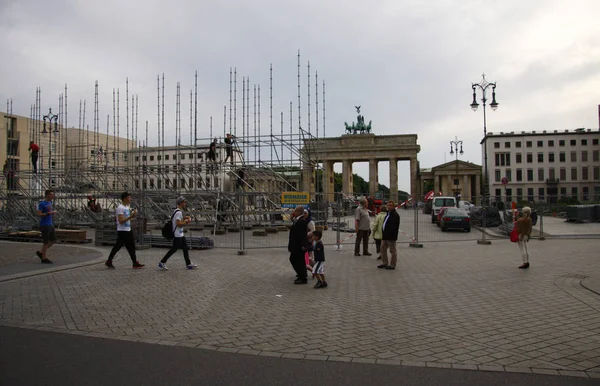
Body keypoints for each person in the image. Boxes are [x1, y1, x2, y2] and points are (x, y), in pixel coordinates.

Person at [105, 192, 145, 269]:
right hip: (122, 231)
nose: (130, 199)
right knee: (118, 246)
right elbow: (121, 221)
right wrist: (131, 216)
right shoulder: (120, 208)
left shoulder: (127, 207)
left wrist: (132, 215)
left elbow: (127, 218)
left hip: (128, 230)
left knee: (131, 247)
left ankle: (134, 262)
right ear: (125, 198)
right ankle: (109, 261)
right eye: (129, 197)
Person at [158, 196, 198, 270]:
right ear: (181, 203)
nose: (185, 203)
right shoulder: (178, 212)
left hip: (180, 234)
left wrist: (185, 218)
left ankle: (188, 263)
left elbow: (178, 220)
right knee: (174, 249)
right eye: (184, 202)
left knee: (185, 247)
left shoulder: (177, 211)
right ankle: (162, 262)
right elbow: (178, 223)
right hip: (177, 234)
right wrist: (186, 222)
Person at [378, 200, 400, 270]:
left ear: (394, 206)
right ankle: (385, 263)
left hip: (391, 236)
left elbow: (394, 227)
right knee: (382, 249)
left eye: (391, 205)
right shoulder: (388, 213)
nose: (389, 207)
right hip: (385, 236)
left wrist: (390, 235)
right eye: (388, 205)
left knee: (392, 250)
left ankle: (393, 265)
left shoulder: (395, 215)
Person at [36, 189, 57, 264]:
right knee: (46, 242)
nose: (52, 196)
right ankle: (43, 258)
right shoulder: (42, 204)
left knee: (53, 240)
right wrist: (48, 213)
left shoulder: (50, 203)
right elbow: (39, 214)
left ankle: (41, 252)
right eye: (51, 194)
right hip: (44, 225)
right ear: (47, 195)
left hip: (50, 224)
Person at [288, 205, 308, 284]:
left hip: (298, 245)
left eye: (296, 210)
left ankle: (302, 277)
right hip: (295, 244)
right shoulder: (298, 219)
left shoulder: (302, 221)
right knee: (298, 260)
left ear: (300, 212)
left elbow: (302, 234)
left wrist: (303, 245)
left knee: (296, 260)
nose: (294, 212)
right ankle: (301, 275)